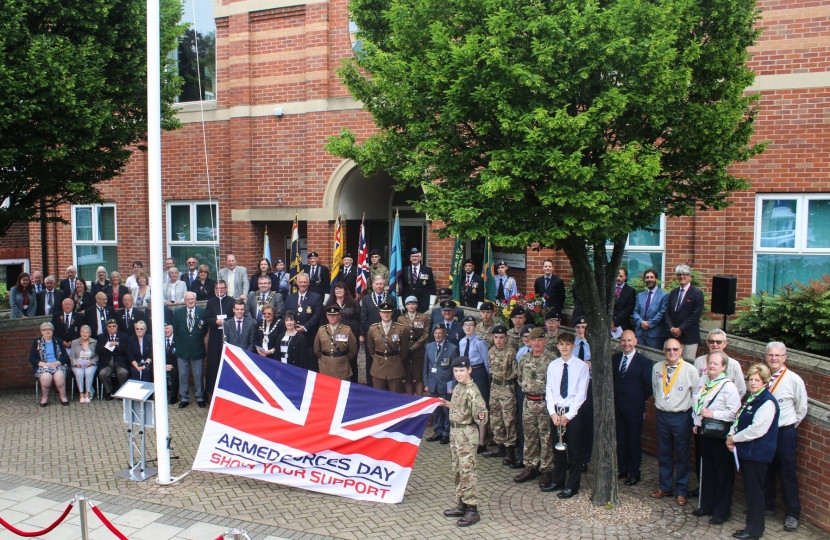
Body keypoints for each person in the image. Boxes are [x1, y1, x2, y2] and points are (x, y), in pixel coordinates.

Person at [727, 364, 780, 540]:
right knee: (751, 491)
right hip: (749, 453)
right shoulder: (753, 398)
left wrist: (735, 439)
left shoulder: (767, 401)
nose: (753, 383)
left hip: (758, 454)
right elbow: (740, 420)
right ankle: (751, 527)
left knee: (755, 492)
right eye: (751, 379)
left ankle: (754, 530)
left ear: (765, 382)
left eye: (757, 380)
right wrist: (732, 434)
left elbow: (757, 429)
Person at [690, 351, 741, 524]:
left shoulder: (728, 386)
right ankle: (706, 505)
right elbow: (697, 402)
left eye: (716, 364)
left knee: (722, 473)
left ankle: (722, 510)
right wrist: (697, 421)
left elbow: (734, 413)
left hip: (720, 435)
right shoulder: (703, 380)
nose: (711, 366)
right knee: (707, 471)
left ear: (724, 367)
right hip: (704, 432)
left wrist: (713, 413)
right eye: (710, 363)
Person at [764, 342, 808, 533]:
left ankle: (792, 513)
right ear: (766, 357)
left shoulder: (793, 379)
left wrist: (788, 425)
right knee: (766, 469)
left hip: (784, 433)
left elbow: (801, 409)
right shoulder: (762, 377)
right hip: (765, 433)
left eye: (777, 355)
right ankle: (767, 505)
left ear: (785, 357)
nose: (774, 358)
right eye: (770, 355)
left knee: (787, 473)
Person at [650, 337, 699, 506]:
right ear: (664, 351)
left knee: (682, 454)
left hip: (681, 416)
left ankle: (681, 490)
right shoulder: (657, 367)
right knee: (664, 452)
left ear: (681, 351)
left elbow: (696, 395)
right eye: (668, 350)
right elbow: (655, 389)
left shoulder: (690, 370)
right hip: (662, 415)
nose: (672, 353)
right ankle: (665, 486)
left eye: (675, 350)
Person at [440, 356, 488, 527]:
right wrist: (446, 403)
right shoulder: (460, 387)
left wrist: (479, 414)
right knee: (457, 470)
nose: (459, 374)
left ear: (469, 370)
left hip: (466, 434)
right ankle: (462, 504)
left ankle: (472, 509)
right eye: (456, 371)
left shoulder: (472, 391)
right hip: (456, 433)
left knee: (468, 471)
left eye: (462, 370)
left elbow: (482, 416)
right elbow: (459, 408)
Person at [545, 332, 591, 498]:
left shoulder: (581, 366)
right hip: (557, 412)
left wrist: (569, 415)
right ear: (557, 346)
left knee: (575, 451)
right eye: (561, 344)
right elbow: (549, 390)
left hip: (573, 413)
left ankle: (573, 486)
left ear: (574, 346)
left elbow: (581, 394)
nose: (564, 347)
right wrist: (552, 413)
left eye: (567, 344)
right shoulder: (553, 365)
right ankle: (558, 481)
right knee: (558, 449)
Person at [514, 327, 558, 488]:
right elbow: (519, 378)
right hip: (529, 402)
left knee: (546, 438)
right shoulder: (524, 359)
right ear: (529, 342)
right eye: (534, 340)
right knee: (530, 435)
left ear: (545, 340)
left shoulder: (552, 359)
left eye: (540, 340)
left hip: (545, 403)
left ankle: (547, 470)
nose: (537, 343)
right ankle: (530, 466)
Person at [613, 330, 653, 486]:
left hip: (634, 409)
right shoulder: (616, 359)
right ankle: (622, 469)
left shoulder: (644, 361)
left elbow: (648, 386)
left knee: (634, 441)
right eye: (623, 341)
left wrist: (636, 399)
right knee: (621, 440)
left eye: (629, 340)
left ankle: (634, 472)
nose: (626, 344)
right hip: (618, 407)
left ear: (635, 341)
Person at [482, 325, 518, 465]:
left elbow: (515, 373)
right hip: (495, 387)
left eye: (501, 337)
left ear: (506, 338)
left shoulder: (511, 352)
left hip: (507, 388)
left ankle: (510, 451)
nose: (498, 340)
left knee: (509, 420)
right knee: (496, 418)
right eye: (496, 337)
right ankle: (499, 446)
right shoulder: (491, 351)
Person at [360, 276, 397, 386]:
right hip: (371, 336)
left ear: (384, 285)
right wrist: (374, 332)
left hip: (388, 335)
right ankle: (370, 385)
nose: (379, 286)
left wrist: (386, 331)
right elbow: (363, 318)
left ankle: (385, 385)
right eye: (377, 284)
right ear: (373, 285)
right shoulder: (366, 299)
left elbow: (394, 316)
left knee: (386, 360)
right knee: (371, 360)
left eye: (381, 284)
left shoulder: (391, 298)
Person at [173, 292, 208, 408]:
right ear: (184, 300)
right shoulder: (178, 313)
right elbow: (176, 331)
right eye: (188, 299)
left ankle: (200, 397)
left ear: (196, 300)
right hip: (182, 349)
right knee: (183, 375)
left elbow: (204, 330)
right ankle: (184, 398)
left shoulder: (202, 312)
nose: (191, 301)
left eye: (192, 299)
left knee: (198, 375)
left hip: (197, 348)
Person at [424, 326, 458, 444]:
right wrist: (426, 383)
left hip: (446, 384)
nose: (437, 335)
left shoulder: (452, 348)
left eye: (440, 333)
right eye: (435, 333)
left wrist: (453, 385)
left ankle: (446, 433)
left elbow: (455, 369)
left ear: (444, 334)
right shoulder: (429, 347)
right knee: (437, 409)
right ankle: (438, 431)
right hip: (433, 383)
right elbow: (426, 366)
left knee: (446, 409)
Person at [283, 273, 323, 371]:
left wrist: (305, 327)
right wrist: (293, 326)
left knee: (311, 365)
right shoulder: (290, 297)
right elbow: (286, 313)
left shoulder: (316, 297)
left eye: (305, 282)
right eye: (301, 282)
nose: (303, 284)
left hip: (309, 337)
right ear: (297, 283)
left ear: (308, 283)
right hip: (293, 336)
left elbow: (317, 315)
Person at [366, 301, 407, 391]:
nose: (386, 314)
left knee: (395, 396)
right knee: (378, 396)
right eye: (384, 312)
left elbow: (404, 349)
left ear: (392, 313)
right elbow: (371, 348)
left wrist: (398, 359)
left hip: (395, 366)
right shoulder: (373, 328)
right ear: (380, 313)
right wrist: (378, 358)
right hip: (378, 366)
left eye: (388, 312)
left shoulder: (400, 328)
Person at [667, 264, 704, 361]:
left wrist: (681, 329)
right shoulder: (673, 293)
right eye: (679, 274)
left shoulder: (697, 293)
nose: (682, 276)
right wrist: (671, 328)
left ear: (690, 277)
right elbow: (667, 312)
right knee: (672, 363)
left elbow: (695, 315)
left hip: (689, 338)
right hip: (673, 337)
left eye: (685, 274)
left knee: (687, 365)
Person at [204, 280, 235, 394]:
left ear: (226, 288)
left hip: (228, 336)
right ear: (214, 289)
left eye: (222, 288)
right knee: (214, 362)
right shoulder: (211, 302)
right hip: (215, 335)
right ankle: (212, 390)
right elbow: (207, 318)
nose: (220, 290)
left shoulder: (232, 301)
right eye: (217, 288)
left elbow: (235, 317)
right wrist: (216, 321)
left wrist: (225, 322)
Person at [694, 329, 746, 397]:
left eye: (719, 342)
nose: (715, 344)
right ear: (707, 343)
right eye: (711, 341)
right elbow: (694, 384)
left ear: (725, 343)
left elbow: (741, 389)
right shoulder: (699, 361)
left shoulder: (734, 364)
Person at [30, 322, 70, 406]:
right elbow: (31, 358)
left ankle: (63, 397)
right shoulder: (37, 342)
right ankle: (44, 398)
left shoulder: (58, 341)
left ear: (52, 331)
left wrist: (57, 362)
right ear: (42, 332)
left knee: (59, 376)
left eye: (49, 329)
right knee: (46, 378)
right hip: (43, 366)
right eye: (45, 330)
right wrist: (42, 364)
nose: (47, 331)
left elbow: (65, 356)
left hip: (57, 364)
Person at [313, 305, 358, 380]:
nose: (332, 317)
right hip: (326, 368)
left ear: (339, 315)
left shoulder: (346, 330)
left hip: (342, 368)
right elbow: (317, 350)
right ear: (327, 316)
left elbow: (353, 350)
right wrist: (325, 358)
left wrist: (343, 359)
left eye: (335, 315)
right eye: (330, 315)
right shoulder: (321, 330)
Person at [397, 296, 430, 395]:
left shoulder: (423, 317)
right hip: (405, 349)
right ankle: (409, 398)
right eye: (409, 304)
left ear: (417, 305)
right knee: (408, 376)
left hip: (419, 349)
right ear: (406, 306)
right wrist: (403, 348)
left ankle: (419, 397)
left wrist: (415, 347)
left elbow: (425, 334)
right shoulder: (401, 318)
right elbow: (398, 334)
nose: (411, 306)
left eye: (413, 304)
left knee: (418, 375)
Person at [572, 315, 593, 470]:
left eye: (583, 327)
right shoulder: (570, 344)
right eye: (578, 327)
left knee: (587, 422)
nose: (581, 330)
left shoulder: (592, 344)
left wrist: (592, 365)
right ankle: (573, 456)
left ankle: (585, 458)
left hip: (588, 386)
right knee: (573, 422)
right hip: (572, 387)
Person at [330, 282, 361, 383]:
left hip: (351, 336)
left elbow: (360, 319)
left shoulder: (353, 303)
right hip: (335, 338)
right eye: (336, 289)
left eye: (341, 289)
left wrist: (361, 335)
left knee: (351, 361)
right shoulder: (330, 304)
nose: (338, 291)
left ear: (345, 290)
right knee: (339, 361)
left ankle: (353, 385)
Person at [458, 316, 490, 411]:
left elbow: (486, 360)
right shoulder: (462, 342)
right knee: (468, 398)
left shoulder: (480, 342)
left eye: (471, 325)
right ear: (462, 327)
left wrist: (488, 375)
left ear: (475, 327)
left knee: (481, 399)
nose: (468, 327)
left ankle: (482, 422)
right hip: (466, 373)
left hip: (478, 372)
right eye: (466, 325)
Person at [633, 268, 669, 350]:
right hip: (640, 334)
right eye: (647, 277)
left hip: (655, 335)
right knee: (640, 358)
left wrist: (649, 324)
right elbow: (635, 312)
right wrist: (641, 322)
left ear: (656, 279)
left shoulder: (664, 295)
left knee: (653, 360)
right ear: (644, 280)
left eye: (652, 277)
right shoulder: (640, 295)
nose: (649, 280)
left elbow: (662, 312)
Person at [96, 319, 129, 400]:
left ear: (117, 327)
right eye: (109, 326)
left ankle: (122, 392)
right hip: (106, 363)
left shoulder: (124, 336)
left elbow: (127, 349)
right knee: (103, 374)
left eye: (114, 326)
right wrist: (106, 346)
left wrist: (118, 344)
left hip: (119, 362)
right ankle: (109, 392)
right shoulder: (101, 337)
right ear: (106, 328)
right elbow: (98, 350)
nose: (112, 328)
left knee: (124, 373)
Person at [401, 248, 436, 312]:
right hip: (408, 303)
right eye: (412, 256)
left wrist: (431, 304)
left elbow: (432, 288)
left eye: (416, 256)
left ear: (420, 258)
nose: (414, 258)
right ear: (410, 258)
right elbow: (401, 288)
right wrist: (400, 303)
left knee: (422, 322)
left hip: (423, 304)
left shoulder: (427, 270)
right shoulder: (404, 270)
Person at [69, 324, 98, 403]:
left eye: (87, 332)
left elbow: (97, 356)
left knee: (88, 372)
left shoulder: (94, 342)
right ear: (80, 333)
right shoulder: (75, 342)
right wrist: (75, 364)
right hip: (78, 362)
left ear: (90, 334)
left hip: (90, 362)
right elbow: (72, 356)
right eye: (83, 332)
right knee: (79, 373)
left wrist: (91, 363)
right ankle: (81, 394)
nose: (85, 334)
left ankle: (88, 393)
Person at [612, 267, 637, 333]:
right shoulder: (610, 289)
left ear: (625, 277)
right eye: (617, 276)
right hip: (609, 325)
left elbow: (629, 309)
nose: (618, 278)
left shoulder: (630, 291)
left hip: (623, 325)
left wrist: (615, 322)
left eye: (621, 276)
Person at [163, 324, 179, 404]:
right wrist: (163, 365)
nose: (165, 330)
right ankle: (161, 395)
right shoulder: (160, 340)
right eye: (164, 329)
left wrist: (173, 366)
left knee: (175, 373)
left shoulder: (178, 340)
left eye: (167, 328)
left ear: (172, 330)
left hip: (174, 365)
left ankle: (173, 397)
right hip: (162, 364)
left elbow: (179, 355)